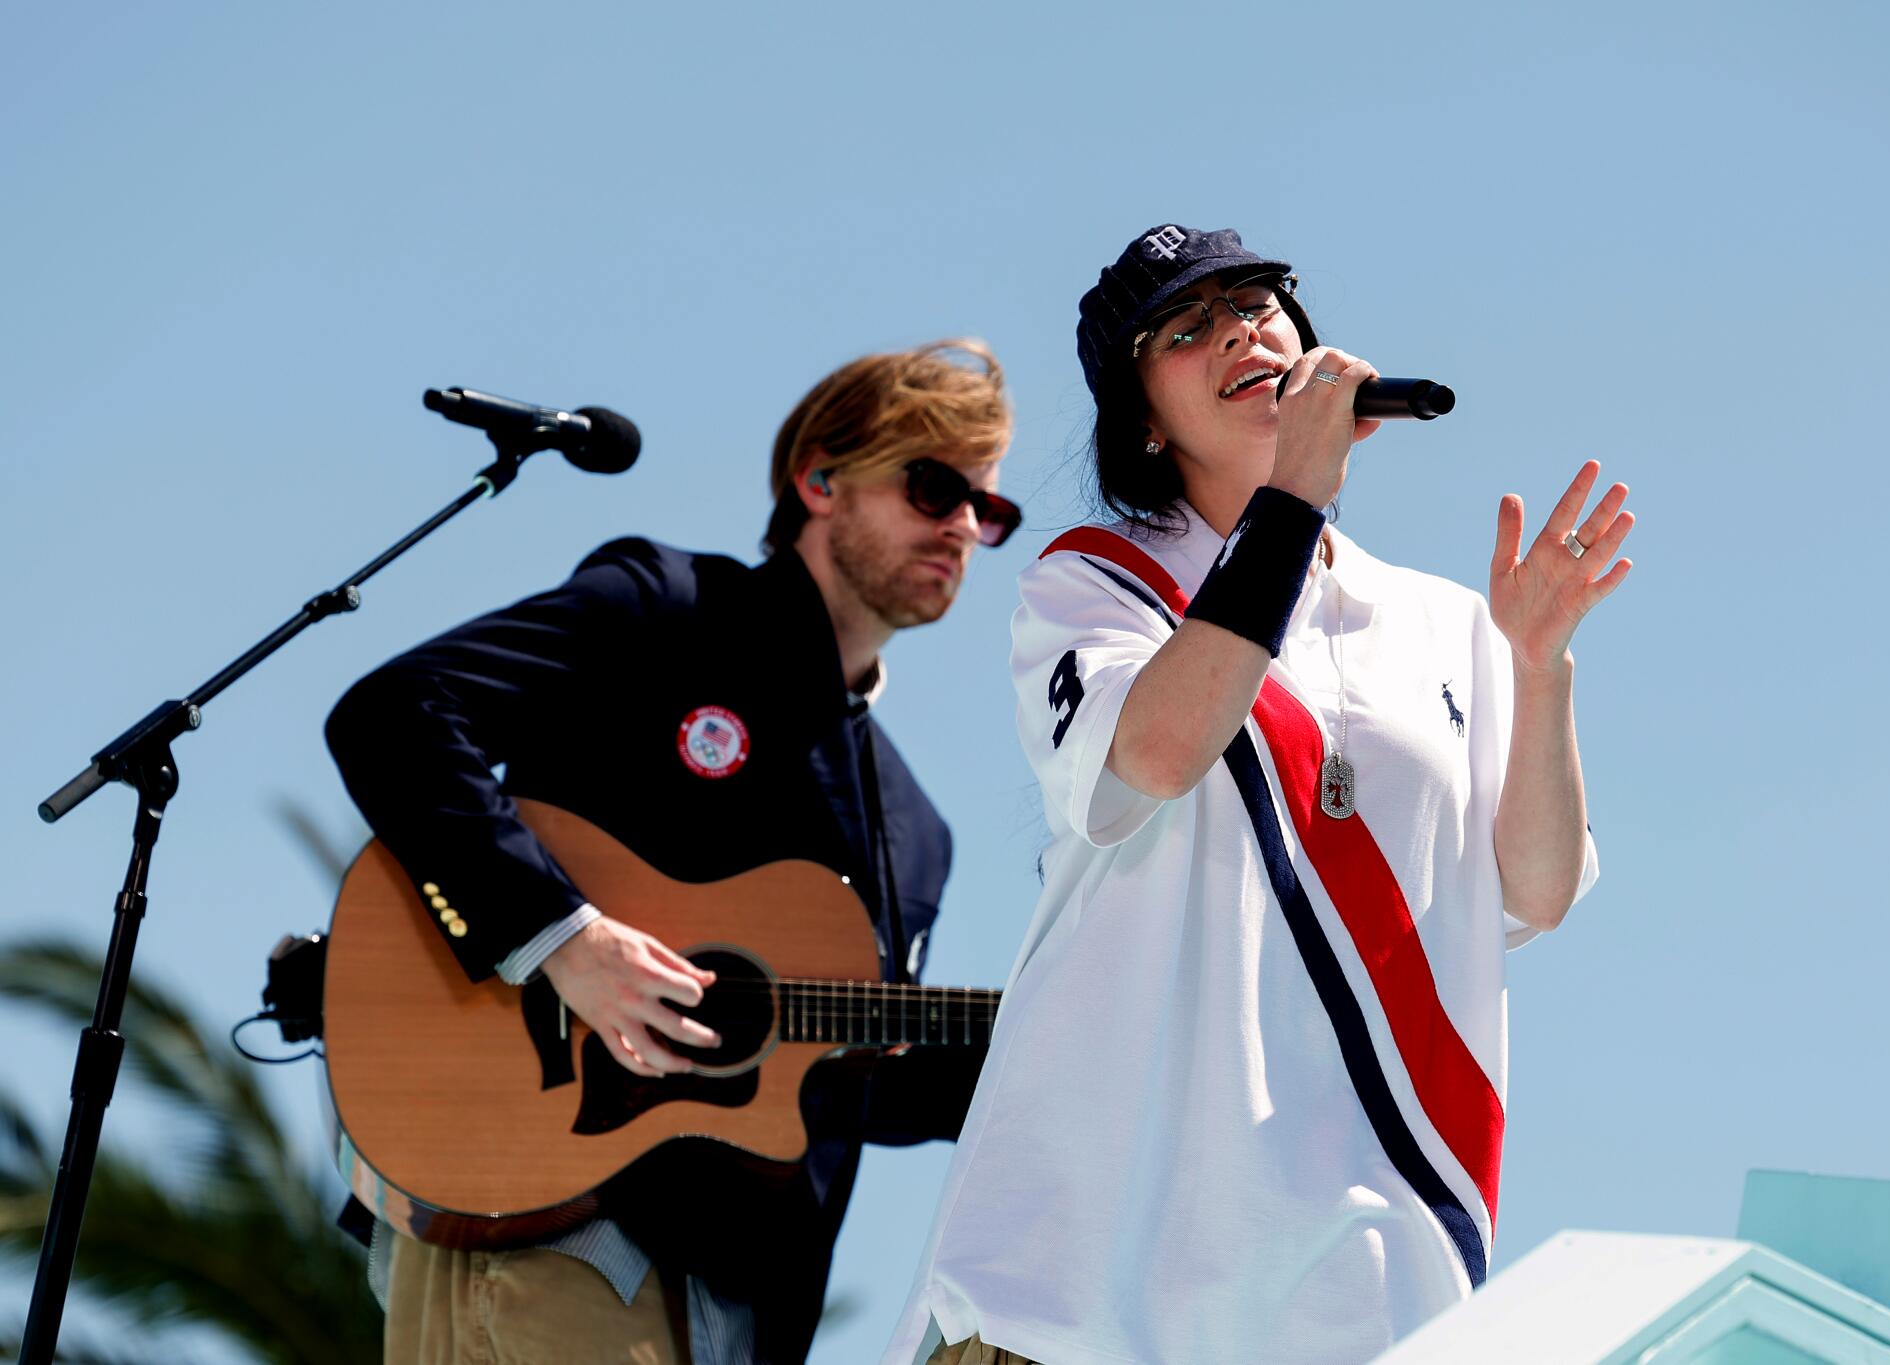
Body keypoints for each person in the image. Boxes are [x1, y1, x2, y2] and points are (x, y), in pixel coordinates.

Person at [885, 227, 1634, 1365]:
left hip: (1355, 1304)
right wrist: (1290, 497)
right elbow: (1159, 750)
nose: (1241, 328)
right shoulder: (1098, 580)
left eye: (1261, 301)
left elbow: (1534, 891)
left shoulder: (1442, 621)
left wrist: (1537, 668)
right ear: (1141, 419)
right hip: (1078, 1294)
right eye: (1186, 328)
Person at [324, 339, 1021, 1365]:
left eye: (987, 510)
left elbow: (838, 1076)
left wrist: (1062, 1055)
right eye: (933, 488)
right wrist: (565, 938)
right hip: (551, 1232)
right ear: (818, 479)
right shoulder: (668, 608)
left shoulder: (917, 831)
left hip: (745, 1299)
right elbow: (397, 714)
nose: (963, 525)